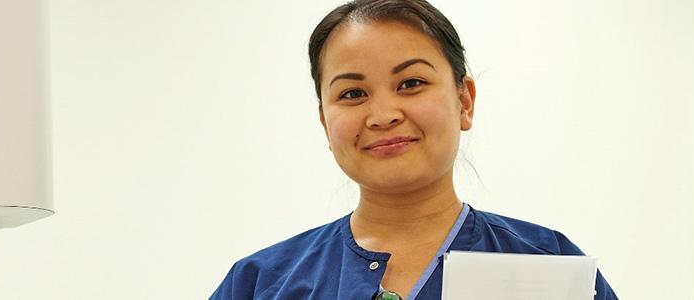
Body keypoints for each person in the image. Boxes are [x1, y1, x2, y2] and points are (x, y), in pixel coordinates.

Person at [210, 0, 618, 299]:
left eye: (411, 83)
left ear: (464, 101)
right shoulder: (260, 283)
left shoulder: (549, 268)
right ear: (324, 120)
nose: (383, 114)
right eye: (353, 93)